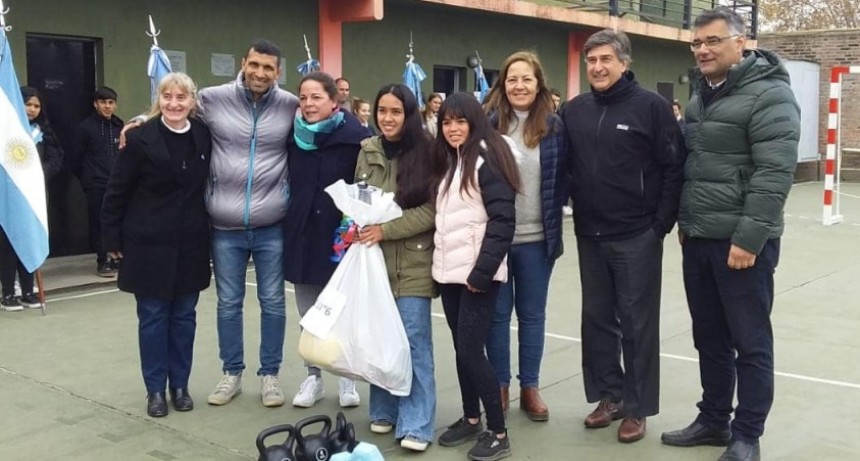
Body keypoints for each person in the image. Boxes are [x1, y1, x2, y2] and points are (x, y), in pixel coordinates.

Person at [121, 39, 298, 408]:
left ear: (278, 72)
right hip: (223, 226)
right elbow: (172, 109)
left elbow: (322, 117)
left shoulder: (290, 106)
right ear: (243, 63)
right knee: (228, 303)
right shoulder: (214, 99)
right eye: (255, 65)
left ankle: (270, 375)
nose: (260, 73)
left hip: (270, 224)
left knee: (273, 303)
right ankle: (231, 373)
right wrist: (138, 121)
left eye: (269, 68)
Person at [660, 8, 800, 461]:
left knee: (750, 341)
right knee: (709, 336)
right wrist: (686, 222)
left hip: (741, 244)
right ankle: (714, 419)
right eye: (696, 43)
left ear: (743, 43)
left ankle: (747, 436)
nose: (702, 49)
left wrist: (748, 240)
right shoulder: (702, 97)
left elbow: (774, 174)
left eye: (713, 41)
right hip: (700, 237)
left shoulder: (771, 95)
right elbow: (694, 169)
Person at [560, 29, 685, 443]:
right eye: (591, 60)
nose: (597, 67)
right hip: (589, 235)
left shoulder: (652, 108)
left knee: (637, 323)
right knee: (596, 321)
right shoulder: (574, 110)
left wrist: (659, 227)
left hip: (637, 235)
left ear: (624, 63)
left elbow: (673, 169)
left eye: (605, 60)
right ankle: (609, 397)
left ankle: (637, 407)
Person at [101, 72, 212, 418]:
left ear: (193, 102)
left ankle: (180, 385)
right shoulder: (139, 139)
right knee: (152, 318)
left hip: (190, 243)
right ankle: (155, 391)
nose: (174, 104)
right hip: (147, 245)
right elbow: (117, 191)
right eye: (168, 97)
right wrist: (111, 238)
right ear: (158, 100)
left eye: (182, 98)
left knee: (184, 319)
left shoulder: (204, 135)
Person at [430, 92, 519, 461]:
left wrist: (482, 273)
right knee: (461, 350)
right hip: (450, 274)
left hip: (477, 276)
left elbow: (502, 222)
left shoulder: (485, 159)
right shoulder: (452, 161)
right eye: (446, 122)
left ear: (474, 122)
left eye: (459, 121)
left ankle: (498, 432)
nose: (452, 128)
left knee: (470, 350)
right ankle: (471, 418)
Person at [482, 50, 567, 422]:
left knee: (532, 316)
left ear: (538, 84)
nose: (519, 85)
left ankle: (529, 387)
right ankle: (499, 385)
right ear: (503, 84)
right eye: (512, 78)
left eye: (526, 79)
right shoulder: (486, 125)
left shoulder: (554, 126)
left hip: (537, 240)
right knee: (497, 318)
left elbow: (566, 177)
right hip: (495, 241)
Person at [354, 83, 437, 453]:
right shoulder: (367, 150)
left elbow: (432, 211)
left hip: (415, 260)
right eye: (382, 111)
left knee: (414, 342)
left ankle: (417, 422)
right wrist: (353, 224)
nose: (387, 118)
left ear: (409, 115)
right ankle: (384, 408)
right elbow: (359, 197)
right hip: (373, 261)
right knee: (380, 337)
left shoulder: (430, 152)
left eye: (396, 112)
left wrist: (384, 229)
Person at [284, 72, 371, 409]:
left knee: (342, 310)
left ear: (335, 101)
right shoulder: (292, 136)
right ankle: (313, 377)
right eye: (303, 98)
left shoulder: (356, 138)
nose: (308, 104)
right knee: (310, 313)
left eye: (316, 97)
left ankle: (347, 378)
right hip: (301, 234)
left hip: (339, 239)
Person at [0, 87, 64, 311]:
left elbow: (56, 159)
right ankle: (8, 292)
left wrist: (37, 175)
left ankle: (28, 291)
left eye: (36, 106)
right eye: (28, 104)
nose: (32, 109)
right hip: (8, 194)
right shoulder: (7, 130)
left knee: (29, 239)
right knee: (7, 243)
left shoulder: (42, 132)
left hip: (34, 194)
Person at [74, 86, 123, 278]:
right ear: (95, 104)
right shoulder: (85, 128)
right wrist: (87, 178)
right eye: (103, 102)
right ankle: (102, 260)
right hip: (95, 183)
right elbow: (76, 158)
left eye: (111, 102)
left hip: (117, 183)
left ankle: (116, 257)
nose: (107, 106)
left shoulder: (120, 126)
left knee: (117, 220)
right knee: (99, 222)